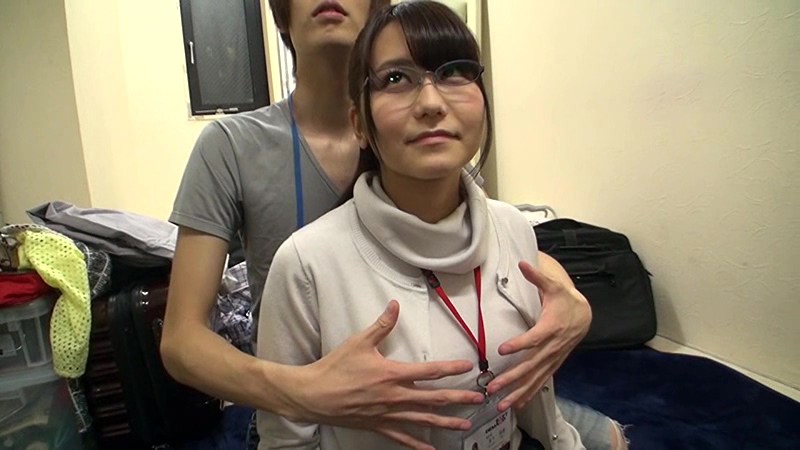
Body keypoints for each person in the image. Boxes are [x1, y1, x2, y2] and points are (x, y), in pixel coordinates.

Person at [162, 0, 623, 449]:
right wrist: (305, 392)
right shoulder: (234, 150)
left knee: (608, 436)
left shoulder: (432, 147)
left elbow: (485, 242)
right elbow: (182, 339)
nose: (431, 103)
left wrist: (573, 302)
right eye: (395, 79)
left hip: (475, 390)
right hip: (298, 392)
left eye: (452, 74)